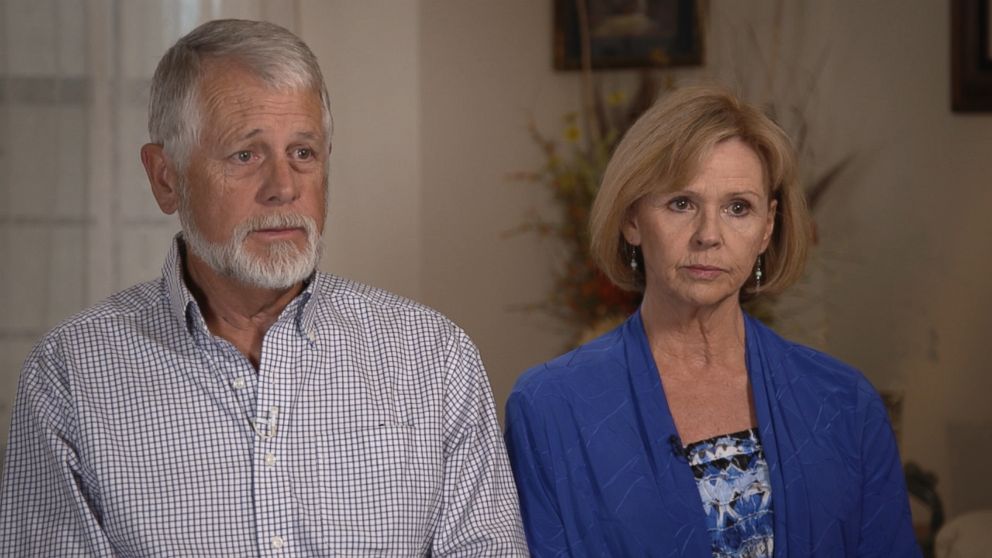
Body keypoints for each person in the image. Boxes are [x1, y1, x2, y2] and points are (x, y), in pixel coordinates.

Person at [0, 19, 526, 556]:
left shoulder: (434, 358)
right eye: (245, 155)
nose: (283, 188)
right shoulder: (69, 375)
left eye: (303, 152)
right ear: (166, 177)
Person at [504, 86, 920, 557]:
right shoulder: (550, 407)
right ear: (632, 220)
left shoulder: (844, 402)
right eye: (681, 203)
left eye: (737, 207)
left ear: (767, 228)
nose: (709, 235)